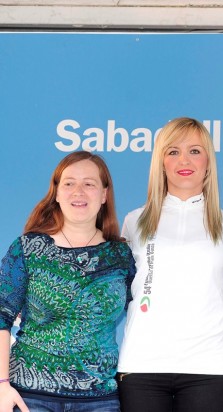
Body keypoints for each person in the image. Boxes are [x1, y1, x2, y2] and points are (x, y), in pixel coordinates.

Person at [116, 117, 223, 412]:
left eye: (195, 151)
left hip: (208, 369)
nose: (184, 160)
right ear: (161, 163)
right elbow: (117, 290)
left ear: (208, 162)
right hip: (141, 365)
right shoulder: (134, 221)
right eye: (173, 151)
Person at [0, 151, 136, 412]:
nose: (78, 191)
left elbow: (146, 312)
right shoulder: (28, 249)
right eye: (69, 183)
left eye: (89, 183)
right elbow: (1, 316)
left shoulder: (120, 256)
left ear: (104, 194)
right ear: (57, 193)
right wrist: (2, 385)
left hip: (100, 400)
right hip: (30, 398)